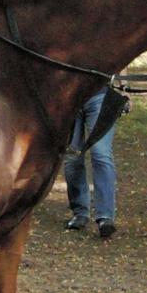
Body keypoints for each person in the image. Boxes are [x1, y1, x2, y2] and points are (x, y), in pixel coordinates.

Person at [63, 90, 120, 239]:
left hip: (100, 96)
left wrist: (124, 88)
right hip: (70, 97)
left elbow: (117, 66)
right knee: (72, 157)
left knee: (101, 154)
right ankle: (80, 212)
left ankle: (105, 217)